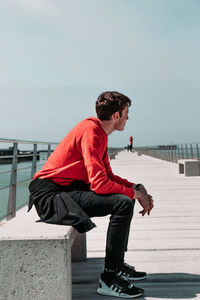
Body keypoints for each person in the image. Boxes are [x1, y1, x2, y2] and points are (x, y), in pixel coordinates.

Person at [28, 91, 154, 299]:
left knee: (126, 199)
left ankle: (117, 266)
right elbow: (100, 184)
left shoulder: (99, 133)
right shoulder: (91, 132)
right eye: (126, 113)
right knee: (123, 203)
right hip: (51, 197)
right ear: (116, 115)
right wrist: (135, 195)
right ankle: (110, 278)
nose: (128, 117)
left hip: (67, 189)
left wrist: (137, 188)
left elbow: (108, 176)